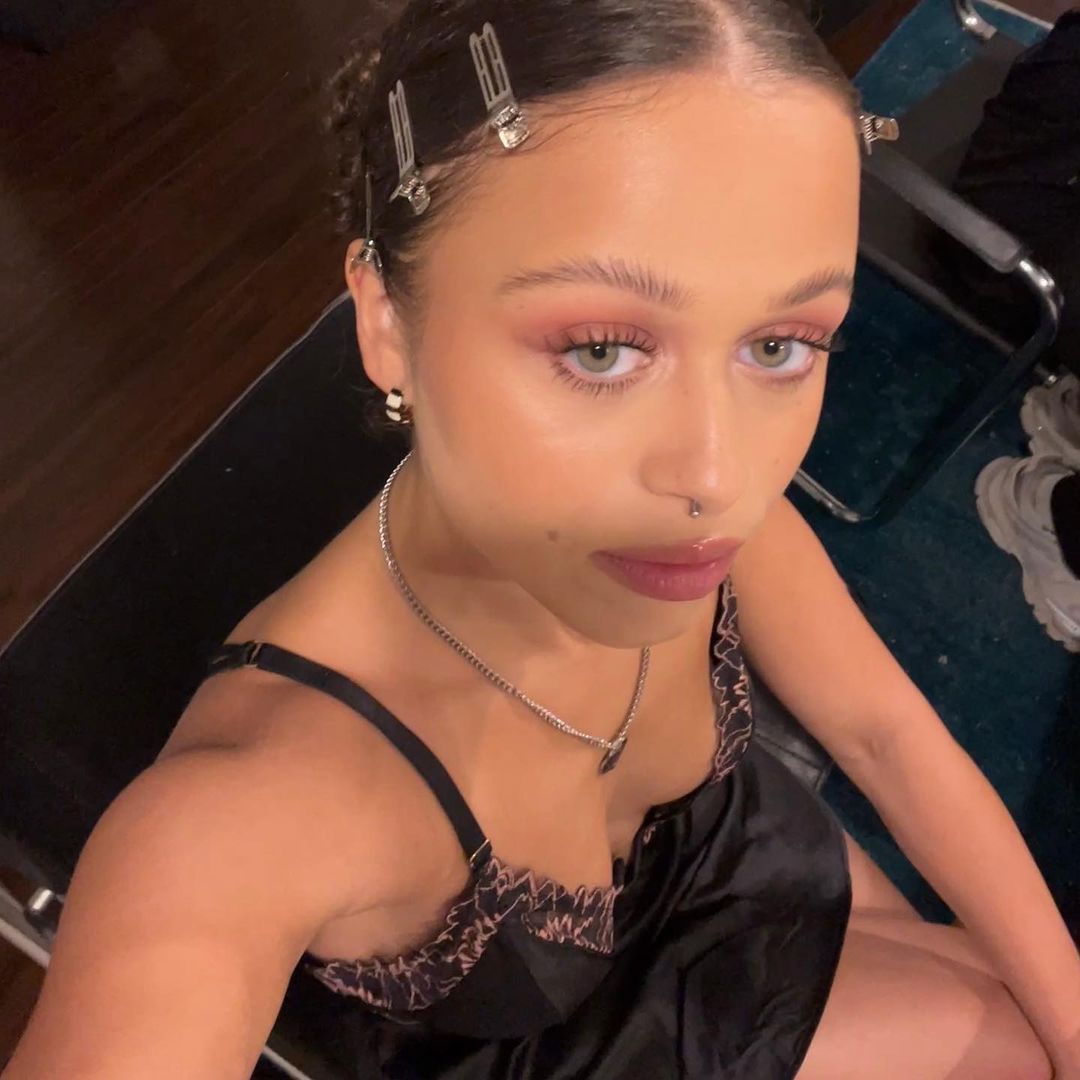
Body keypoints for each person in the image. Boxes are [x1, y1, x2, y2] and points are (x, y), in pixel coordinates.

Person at [5, 1, 1080, 1077]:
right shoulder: (252, 812)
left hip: (734, 864)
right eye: (602, 350)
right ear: (385, 322)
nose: (720, 479)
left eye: (780, 344)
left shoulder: (686, 522)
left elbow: (885, 736)